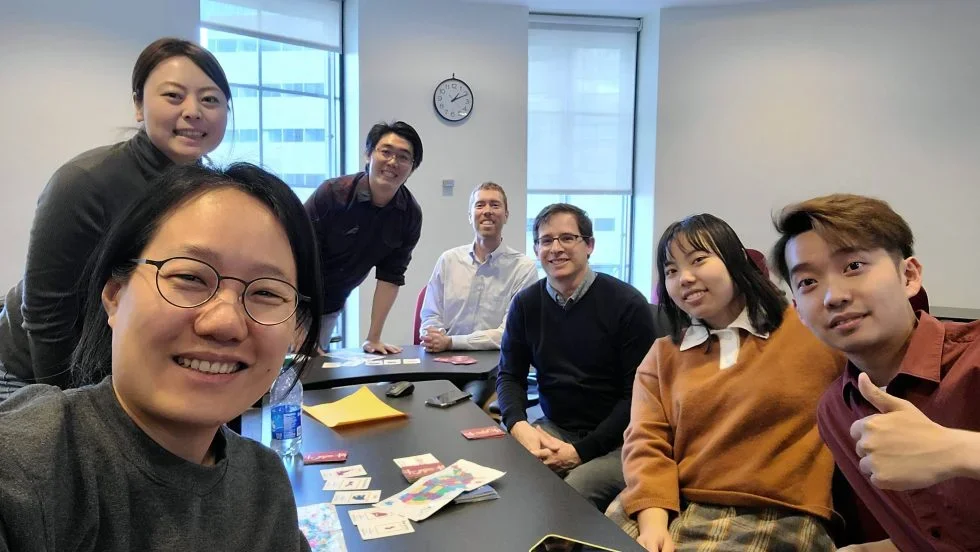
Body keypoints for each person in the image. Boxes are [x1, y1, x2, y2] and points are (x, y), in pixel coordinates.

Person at [0, 162, 320, 551]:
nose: (225, 323)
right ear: (115, 295)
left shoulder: (264, 484)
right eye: (189, 277)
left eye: (267, 293)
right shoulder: (31, 466)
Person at [0, 37, 231, 400]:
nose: (193, 111)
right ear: (139, 106)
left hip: (119, 372)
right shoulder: (84, 182)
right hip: (29, 372)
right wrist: (69, 413)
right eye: (173, 96)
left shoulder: (213, 194)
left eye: (210, 99)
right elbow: (47, 317)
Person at [616, 213, 845, 552]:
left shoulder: (809, 330)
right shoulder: (664, 354)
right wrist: (653, 523)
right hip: (672, 505)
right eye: (671, 270)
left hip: (780, 512)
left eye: (698, 260)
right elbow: (646, 442)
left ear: (734, 260)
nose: (685, 278)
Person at [772, 193, 980, 552]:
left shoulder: (973, 359)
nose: (832, 296)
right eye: (807, 282)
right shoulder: (836, 412)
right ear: (799, 313)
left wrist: (958, 450)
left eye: (853, 266)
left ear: (909, 276)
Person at [496, 203, 655, 511]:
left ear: (590, 245)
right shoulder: (526, 304)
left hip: (620, 440)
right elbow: (509, 375)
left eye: (567, 238)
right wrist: (518, 425)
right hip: (554, 428)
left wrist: (579, 452)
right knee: (507, 485)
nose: (556, 248)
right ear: (536, 249)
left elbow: (638, 397)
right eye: (546, 240)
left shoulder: (627, 304)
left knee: (566, 499)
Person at [304, 121, 423, 354]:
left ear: (412, 167)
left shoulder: (409, 215)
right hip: (289, 301)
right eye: (385, 152)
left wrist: (373, 338)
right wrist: (297, 327)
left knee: (310, 376)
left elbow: (390, 277)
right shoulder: (332, 194)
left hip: (331, 306)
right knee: (272, 375)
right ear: (369, 155)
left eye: (403, 157)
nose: (392, 162)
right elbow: (294, 254)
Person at [419, 181, 539, 404]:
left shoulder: (523, 268)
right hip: (442, 362)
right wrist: (432, 336)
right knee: (406, 399)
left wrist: (451, 342)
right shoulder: (448, 260)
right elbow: (430, 314)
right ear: (470, 215)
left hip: (492, 367)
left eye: (495, 205)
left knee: (465, 407)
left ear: (506, 215)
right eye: (480, 205)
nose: (487, 211)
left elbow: (508, 334)